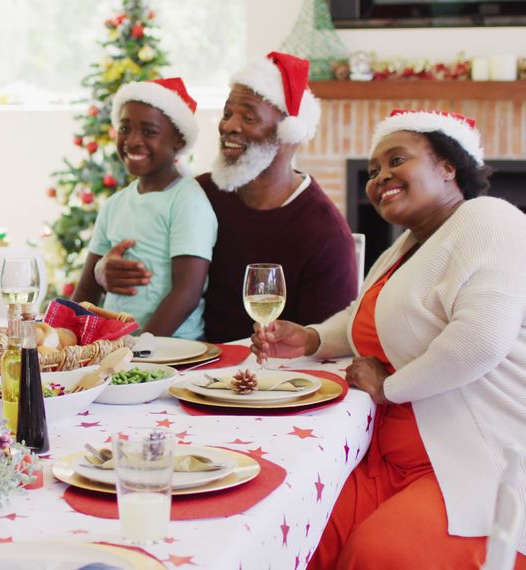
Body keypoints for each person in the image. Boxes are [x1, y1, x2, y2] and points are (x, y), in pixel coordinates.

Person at [251, 110, 526, 568]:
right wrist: (313, 339)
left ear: (447, 167)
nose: (380, 178)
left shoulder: (488, 219)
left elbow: (480, 340)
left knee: (377, 555)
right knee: (296, 527)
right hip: (386, 460)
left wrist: (388, 387)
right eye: (374, 170)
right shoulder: (408, 245)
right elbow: (368, 318)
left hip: (470, 462)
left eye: (397, 160)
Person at [95, 52, 356, 342]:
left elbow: (325, 348)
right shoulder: (200, 193)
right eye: (227, 113)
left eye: (249, 117)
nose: (229, 126)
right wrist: (102, 272)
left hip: (271, 380)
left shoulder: (326, 235)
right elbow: (150, 262)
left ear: (287, 132)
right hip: (189, 368)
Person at [71, 77, 216, 339]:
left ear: (178, 140)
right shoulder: (115, 204)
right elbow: (86, 292)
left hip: (172, 352)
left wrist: (138, 350)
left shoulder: (187, 201)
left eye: (149, 132)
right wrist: (68, 339)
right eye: (125, 129)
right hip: (117, 350)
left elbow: (186, 294)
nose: (133, 140)